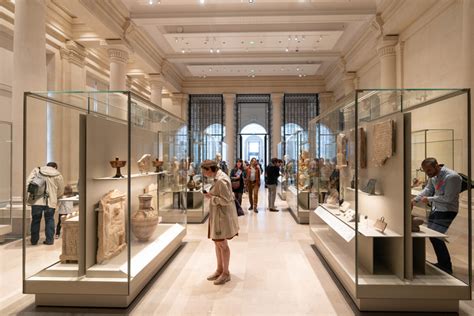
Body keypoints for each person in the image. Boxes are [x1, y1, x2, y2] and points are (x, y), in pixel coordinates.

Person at [411, 157, 461, 274]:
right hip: (436, 208)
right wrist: (414, 200)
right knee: (433, 237)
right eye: (425, 171)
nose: (427, 173)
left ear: (437, 166)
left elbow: (449, 198)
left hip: (447, 210)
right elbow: (428, 189)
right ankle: (442, 263)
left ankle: (446, 266)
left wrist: (429, 199)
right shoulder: (433, 176)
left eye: (429, 170)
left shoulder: (452, 177)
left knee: (436, 237)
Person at [201, 160, 239, 285]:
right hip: (218, 215)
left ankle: (226, 273)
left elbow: (226, 199)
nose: (203, 173)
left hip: (222, 217)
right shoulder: (218, 178)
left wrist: (211, 198)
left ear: (210, 169)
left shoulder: (221, 180)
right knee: (217, 243)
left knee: (222, 244)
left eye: (204, 171)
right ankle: (219, 269)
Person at [26, 162, 64, 245]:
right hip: (50, 201)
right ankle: (49, 240)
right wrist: (55, 196)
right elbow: (61, 190)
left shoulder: (37, 170)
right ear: (55, 167)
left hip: (36, 201)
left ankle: (34, 240)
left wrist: (30, 195)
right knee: (50, 219)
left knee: (35, 220)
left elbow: (28, 183)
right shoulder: (58, 174)